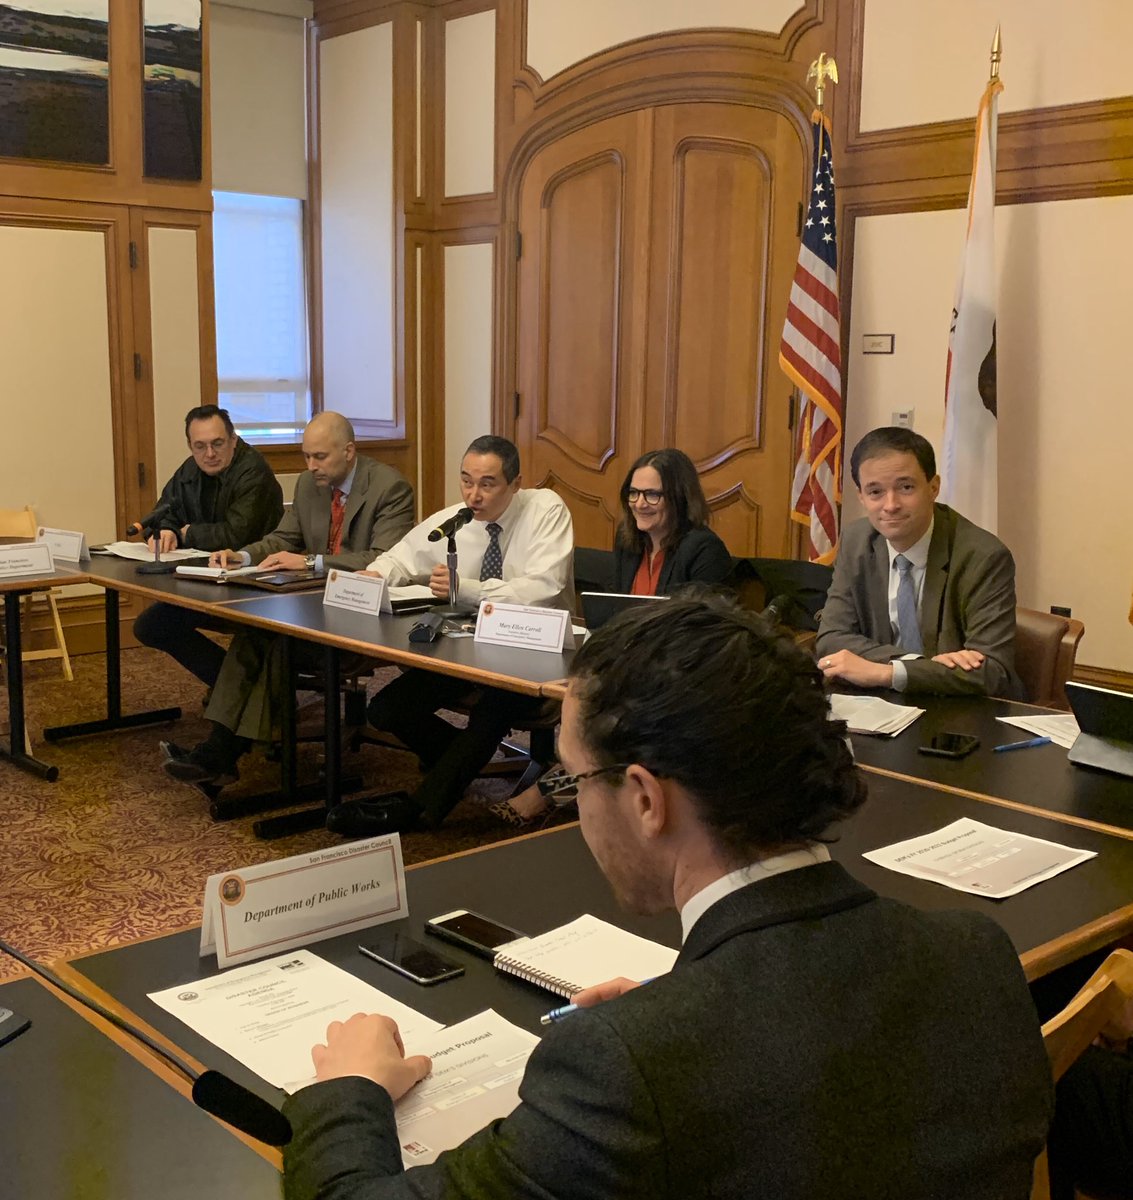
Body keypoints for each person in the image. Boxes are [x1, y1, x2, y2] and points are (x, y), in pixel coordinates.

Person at [281, 597, 1052, 1199]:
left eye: (574, 778)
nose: (575, 804)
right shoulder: (975, 955)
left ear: (646, 799)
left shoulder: (622, 1067)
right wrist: (691, 1002)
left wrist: (349, 1088)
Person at [323, 435, 574, 837]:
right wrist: (376, 575)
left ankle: (420, 811)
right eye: (466, 481)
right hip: (472, 649)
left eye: (488, 484)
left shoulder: (545, 509)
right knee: (386, 709)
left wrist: (466, 589)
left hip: (535, 653)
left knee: (489, 714)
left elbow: (542, 589)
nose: (474, 495)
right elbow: (402, 556)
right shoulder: (460, 518)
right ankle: (459, 759)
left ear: (516, 483)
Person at [160, 412, 415, 792]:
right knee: (255, 634)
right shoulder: (311, 484)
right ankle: (220, 753)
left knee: (275, 643)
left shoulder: (390, 487)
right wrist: (243, 556)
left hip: (363, 615)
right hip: (311, 605)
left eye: (320, 457)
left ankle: (222, 754)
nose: (310, 466)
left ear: (349, 451)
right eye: (306, 456)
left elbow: (383, 560)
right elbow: (283, 538)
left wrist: (312, 562)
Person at [490, 446, 731, 828]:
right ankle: (572, 789)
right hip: (628, 665)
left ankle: (548, 793)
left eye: (652, 495)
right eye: (633, 493)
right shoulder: (629, 542)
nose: (640, 503)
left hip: (679, 677)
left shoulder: (704, 549)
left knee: (605, 724)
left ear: (679, 498)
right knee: (578, 703)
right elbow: (617, 614)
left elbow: (697, 632)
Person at [815, 425, 1024, 697]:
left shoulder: (983, 556)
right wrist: (915, 665)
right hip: (886, 705)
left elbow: (993, 671)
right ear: (861, 497)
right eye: (875, 492)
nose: (891, 505)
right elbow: (830, 639)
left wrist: (886, 673)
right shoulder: (857, 541)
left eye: (906, 487)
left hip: (961, 710)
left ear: (933, 487)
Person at [132, 404, 283, 688]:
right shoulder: (191, 469)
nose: (209, 454)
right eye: (200, 446)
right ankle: (234, 688)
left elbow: (235, 535)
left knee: (157, 624)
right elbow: (163, 512)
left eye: (217, 443)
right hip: (207, 579)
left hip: (255, 585)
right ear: (190, 446)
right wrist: (166, 529)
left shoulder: (253, 472)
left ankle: (238, 691)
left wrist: (187, 534)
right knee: (150, 627)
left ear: (233, 440)